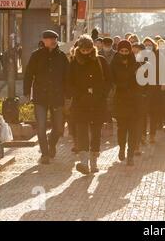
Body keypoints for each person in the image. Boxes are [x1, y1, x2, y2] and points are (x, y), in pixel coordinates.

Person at [23, 30, 69, 165]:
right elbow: (29, 74)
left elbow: (67, 77)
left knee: (59, 127)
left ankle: (52, 143)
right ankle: (45, 153)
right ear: (43, 40)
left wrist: (68, 95)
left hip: (57, 96)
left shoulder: (61, 57)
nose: (53, 40)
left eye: (55, 38)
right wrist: (26, 91)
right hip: (40, 97)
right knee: (41, 126)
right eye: (50, 38)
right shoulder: (36, 56)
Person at [69, 35, 112, 174]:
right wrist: (80, 94)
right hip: (80, 103)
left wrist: (101, 93)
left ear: (92, 48)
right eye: (83, 49)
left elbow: (108, 80)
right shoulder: (74, 62)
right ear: (78, 49)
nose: (86, 52)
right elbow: (69, 82)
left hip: (97, 102)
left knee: (96, 132)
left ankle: (93, 162)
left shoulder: (100, 61)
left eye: (88, 49)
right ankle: (83, 162)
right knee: (81, 131)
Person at [111, 40, 139, 166]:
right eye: (121, 51)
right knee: (122, 128)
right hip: (120, 100)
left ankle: (131, 154)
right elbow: (111, 80)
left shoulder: (135, 63)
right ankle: (122, 147)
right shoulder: (114, 63)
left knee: (133, 129)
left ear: (129, 51)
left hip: (134, 101)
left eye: (126, 51)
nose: (124, 53)